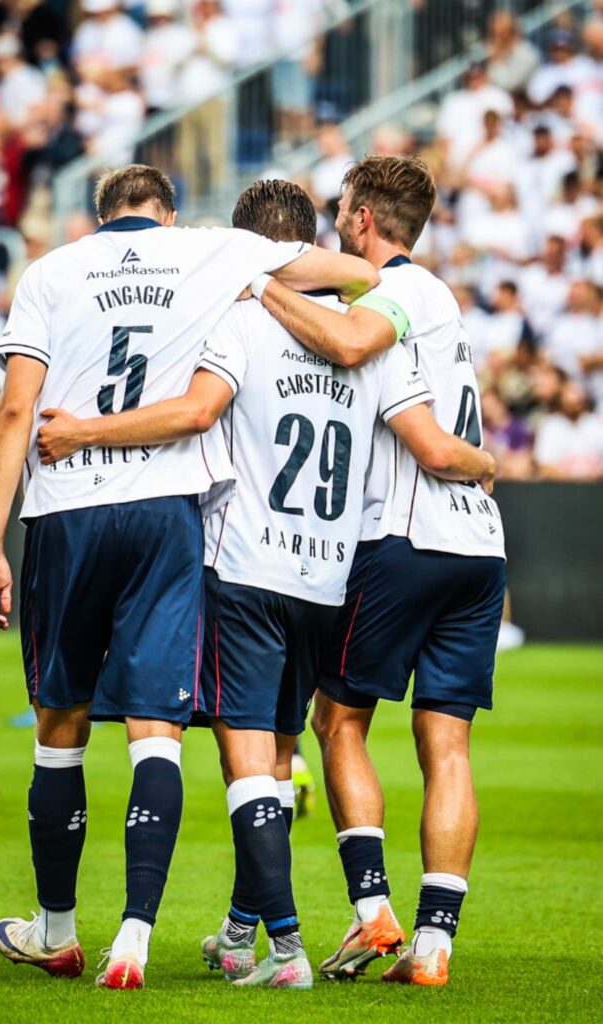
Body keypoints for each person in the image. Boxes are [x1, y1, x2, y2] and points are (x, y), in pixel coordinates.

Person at [36, 177, 494, 989]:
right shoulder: (386, 324)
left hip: (249, 563)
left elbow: (196, 411)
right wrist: (488, 461)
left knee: (255, 756)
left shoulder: (243, 316)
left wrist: (83, 433)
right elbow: (420, 422)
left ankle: (291, 946)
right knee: (306, 753)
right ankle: (275, 932)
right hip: (332, 572)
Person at [0, 162, 382, 991]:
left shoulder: (50, 271)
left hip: (65, 512)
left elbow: (17, 409)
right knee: (155, 730)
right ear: (166, 213)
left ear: (101, 215)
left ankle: (56, 930)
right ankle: (134, 939)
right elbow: (360, 272)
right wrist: (258, 269)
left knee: (61, 730)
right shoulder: (208, 252)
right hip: (170, 514)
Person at [252, 155, 507, 987]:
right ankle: (434, 947)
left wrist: (254, 283)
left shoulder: (400, 296)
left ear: (362, 218)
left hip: (408, 539)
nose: (334, 224)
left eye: (340, 210)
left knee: (340, 722)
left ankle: (373, 912)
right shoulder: (438, 308)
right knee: (448, 745)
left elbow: (420, 432)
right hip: (478, 549)